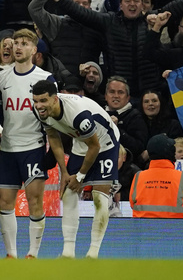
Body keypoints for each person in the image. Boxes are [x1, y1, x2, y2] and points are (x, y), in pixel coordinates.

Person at [0, 28, 56, 258]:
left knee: (35, 200)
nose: (17, 47)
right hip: (7, 148)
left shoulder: (45, 78)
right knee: (5, 202)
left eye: (24, 43)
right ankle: (11, 254)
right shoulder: (1, 77)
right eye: (15, 43)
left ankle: (33, 253)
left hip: (33, 147)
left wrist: (51, 151)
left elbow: (54, 117)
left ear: (34, 50)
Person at [32, 79, 120, 259]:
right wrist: (64, 172)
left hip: (105, 143)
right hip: (81, 143)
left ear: (55, 99)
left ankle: (93, 253)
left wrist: (80, 176)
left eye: (43, 101)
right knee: (68, 192)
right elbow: (53, 137)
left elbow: (95, 146)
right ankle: (68, 253)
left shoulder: (78, 115)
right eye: (36, 101)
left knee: (99, 197)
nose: (39, 105)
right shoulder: (40, 112)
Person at [128, 134, 183, 218]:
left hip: (144, 229)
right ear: (171, 152)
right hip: (179, 229)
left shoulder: (139, 176)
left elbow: (132, 204)